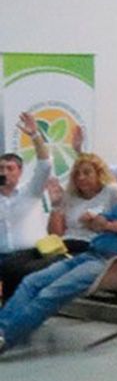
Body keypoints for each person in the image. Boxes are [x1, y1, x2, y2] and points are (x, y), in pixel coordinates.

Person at [0, 106, 117, 353]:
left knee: (50, 294)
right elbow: (98, 222)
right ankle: (2, 328)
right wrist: (108, 224)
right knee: (31, 282)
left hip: (110, 263)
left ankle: (6, 338)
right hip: (88, 254)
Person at [0, 112, 55, 299]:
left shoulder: (31, 191)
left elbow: (45, 165)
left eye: (10, 168)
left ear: (20, 171)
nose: (5, 173)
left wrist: (35, 136)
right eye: (1, 169)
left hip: (29, 257)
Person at [49, 151, 117, 254]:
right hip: (66, 244)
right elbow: (56, 235)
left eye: (87, 173)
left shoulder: (112, 192)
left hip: (91, 245)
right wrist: (56, 205)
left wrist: (97, 222)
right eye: (77, 174)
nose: (81, 177)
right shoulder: (70, 196)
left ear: (99, 174)